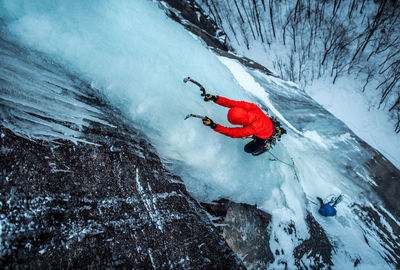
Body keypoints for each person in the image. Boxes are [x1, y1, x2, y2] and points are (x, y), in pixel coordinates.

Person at [201, 93, 283, 156]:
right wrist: (215, 98)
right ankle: (276, 129)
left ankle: (265, 147)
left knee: (248, 149)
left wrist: (213, 125)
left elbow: (232, 132)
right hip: (268, 124)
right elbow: (231, 103)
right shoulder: (252, 107)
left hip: (267, 135)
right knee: (261, 130)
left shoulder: (252, 128)